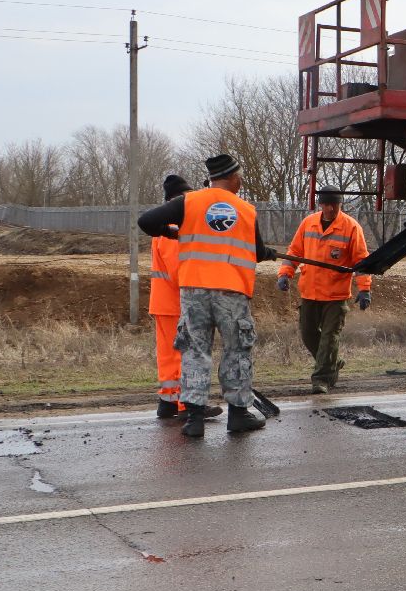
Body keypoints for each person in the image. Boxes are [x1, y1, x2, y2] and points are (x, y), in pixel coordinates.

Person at [137, 154, 277, 438]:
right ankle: (238, 415)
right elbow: (258, 251)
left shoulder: (188, 202)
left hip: (194, 293)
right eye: (240, 177)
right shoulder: (246, 210)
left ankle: (194, 419)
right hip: (232, 293)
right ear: (233, 177)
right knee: (236, 351)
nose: (241, 182)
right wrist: (269, 254)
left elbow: (146, 221)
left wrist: (171, 232)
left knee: (194, 352)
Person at [276, 188, 372, 394]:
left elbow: (361, 261)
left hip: (336, 296)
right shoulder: (308, 223)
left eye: (334, 205)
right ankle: (333, 362)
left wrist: (364, 289)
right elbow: (294, 251)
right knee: (308, 333)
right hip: (309, 291)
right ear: (320, 204)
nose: (329, 209)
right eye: (326, 204)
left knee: (330, 337)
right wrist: (285, 273)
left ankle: (321, 379)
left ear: (340, 204)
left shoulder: (351, 227)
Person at [147, 173, 223, 422]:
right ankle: (185, 406)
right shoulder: (173, 229)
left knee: (169, 356)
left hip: (165, 303)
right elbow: (179, 271)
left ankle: (168, 402)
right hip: (176, 302)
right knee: (181, 354)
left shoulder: (166, 227)